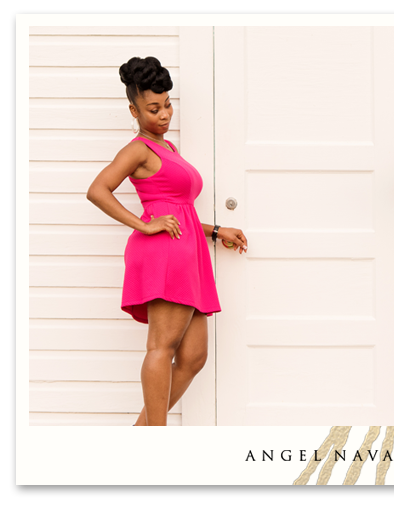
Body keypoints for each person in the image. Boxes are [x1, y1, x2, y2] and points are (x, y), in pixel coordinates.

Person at [86, 56, 248, 426]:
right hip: (164, 255)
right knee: (162, 347)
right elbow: (97, 190)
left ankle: (142, 433)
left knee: (193, 357)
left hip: (186, 252)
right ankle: (154, 445)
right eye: (153, 108)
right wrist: (143, 226)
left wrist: (216, 231)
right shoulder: (138, 149)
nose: (164, 115)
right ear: (134, 109)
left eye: (168, 105)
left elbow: (179, 211)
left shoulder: (168, 149)